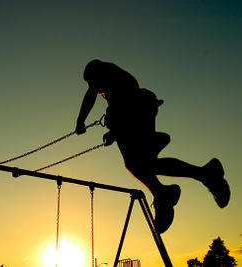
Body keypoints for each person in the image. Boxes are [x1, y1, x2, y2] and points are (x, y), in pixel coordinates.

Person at [75, 59, 230, 233]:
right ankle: (171, 189)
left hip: (139, 109)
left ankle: (187, 182)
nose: (93, 88)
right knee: (138, 164)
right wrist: (114, 128)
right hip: (139, 108)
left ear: (96, 74)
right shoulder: (116, 86)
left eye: (91, 82)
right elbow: (118, 105)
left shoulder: (110, 76)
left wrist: (82, 121)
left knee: (139, 163)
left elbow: (98, 98)